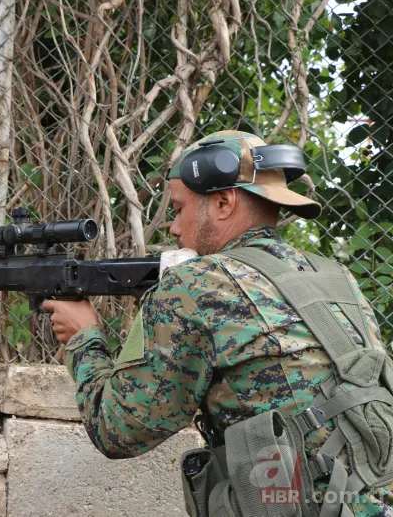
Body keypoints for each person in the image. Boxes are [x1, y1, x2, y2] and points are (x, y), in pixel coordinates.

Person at [43, 130, 393, 517]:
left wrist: (84, 338)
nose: (175, 228)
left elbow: (118, 429)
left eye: (179, 209)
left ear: (224, 202)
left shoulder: (195, 285)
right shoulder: (336, 277)